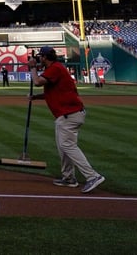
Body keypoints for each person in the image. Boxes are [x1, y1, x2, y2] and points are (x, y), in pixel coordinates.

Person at [29, 46, 104, 193]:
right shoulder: (56, 69)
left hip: (70, 114)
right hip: (68, 114)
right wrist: (36, 97)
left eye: (40, 57)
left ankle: (92, 176)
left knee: (67, 145)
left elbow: (37, 82)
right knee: (63, 146)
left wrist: (32, 68)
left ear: (45, 57)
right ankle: (68, 177)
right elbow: (55, 92)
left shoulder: (55, 69)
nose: (39, 60)